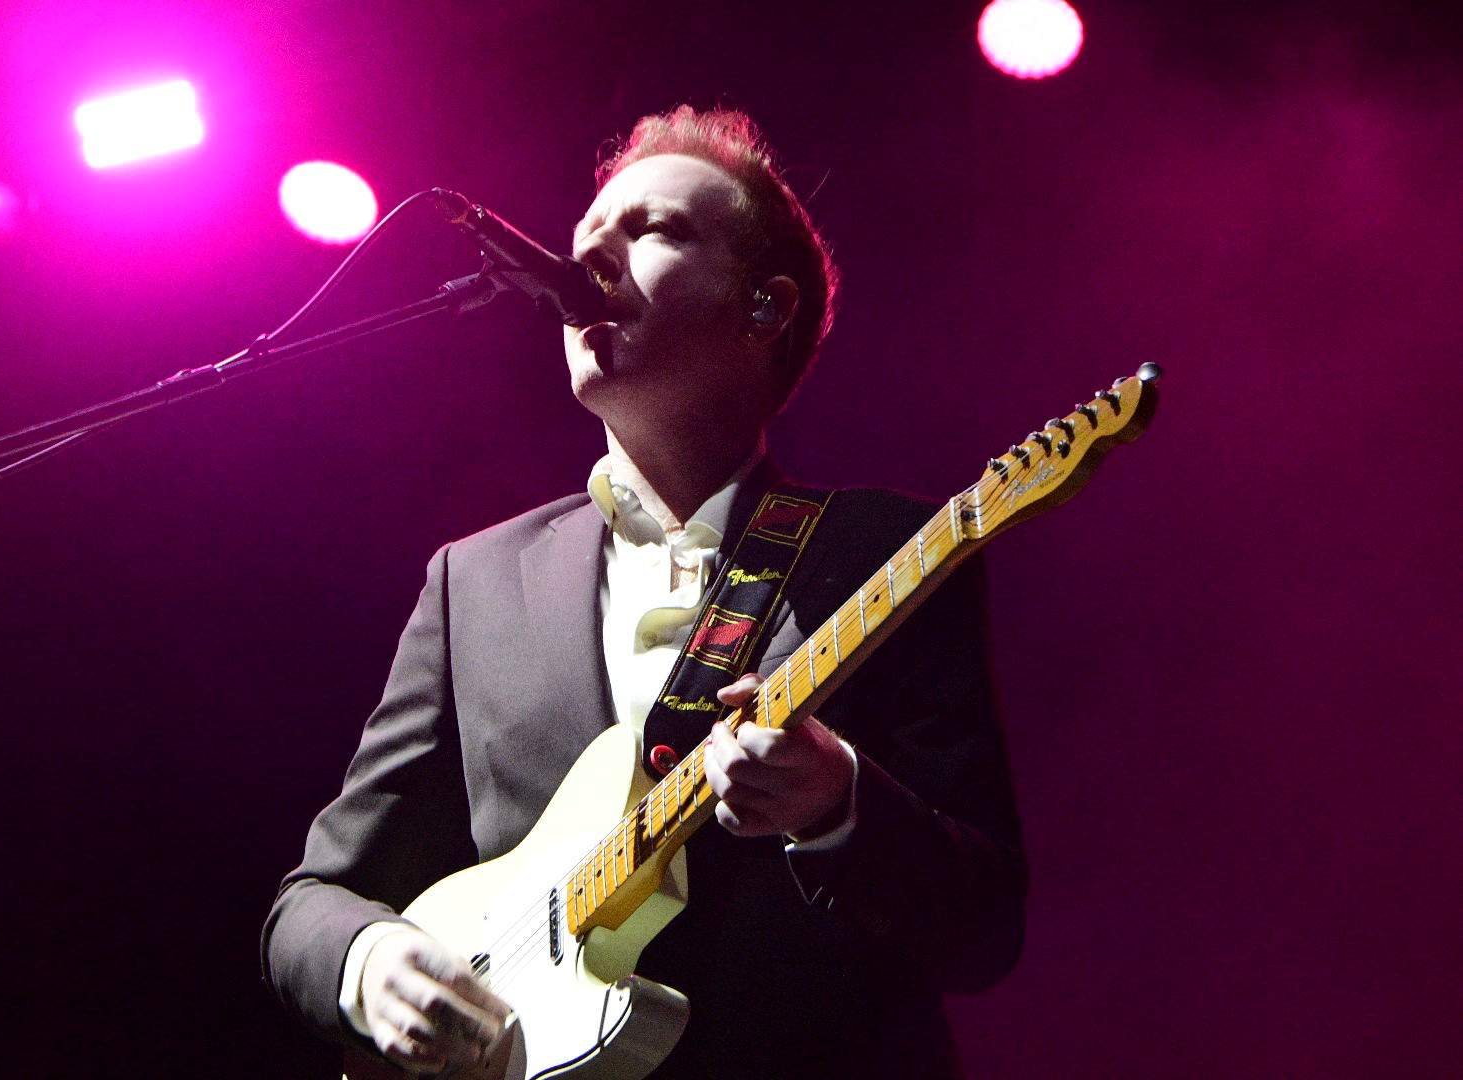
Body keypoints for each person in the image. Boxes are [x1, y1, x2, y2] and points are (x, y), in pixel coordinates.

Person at [262, 106, 1027, 1079]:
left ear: (766, 308)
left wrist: (839, 804)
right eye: (586, 241)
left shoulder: (887, 551)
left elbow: (986, 927)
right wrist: (367, 963)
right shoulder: (476, 581)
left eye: (653, 230)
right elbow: (317, 898)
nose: (594, 259)